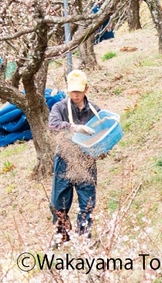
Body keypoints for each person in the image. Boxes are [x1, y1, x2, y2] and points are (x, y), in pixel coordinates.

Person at [48, 69, 101, 243]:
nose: (75, 94)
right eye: (72, 91)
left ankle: (84, 239)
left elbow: (103, 132)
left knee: (87, 202)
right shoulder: (60, 107)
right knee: (59, 203)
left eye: (78, 90)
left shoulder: (95, 110)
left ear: (86, 89)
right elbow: (54, 124)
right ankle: (62, 237)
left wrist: (102, 148)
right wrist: (74, 128)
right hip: (65, 159)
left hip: (86, 161)